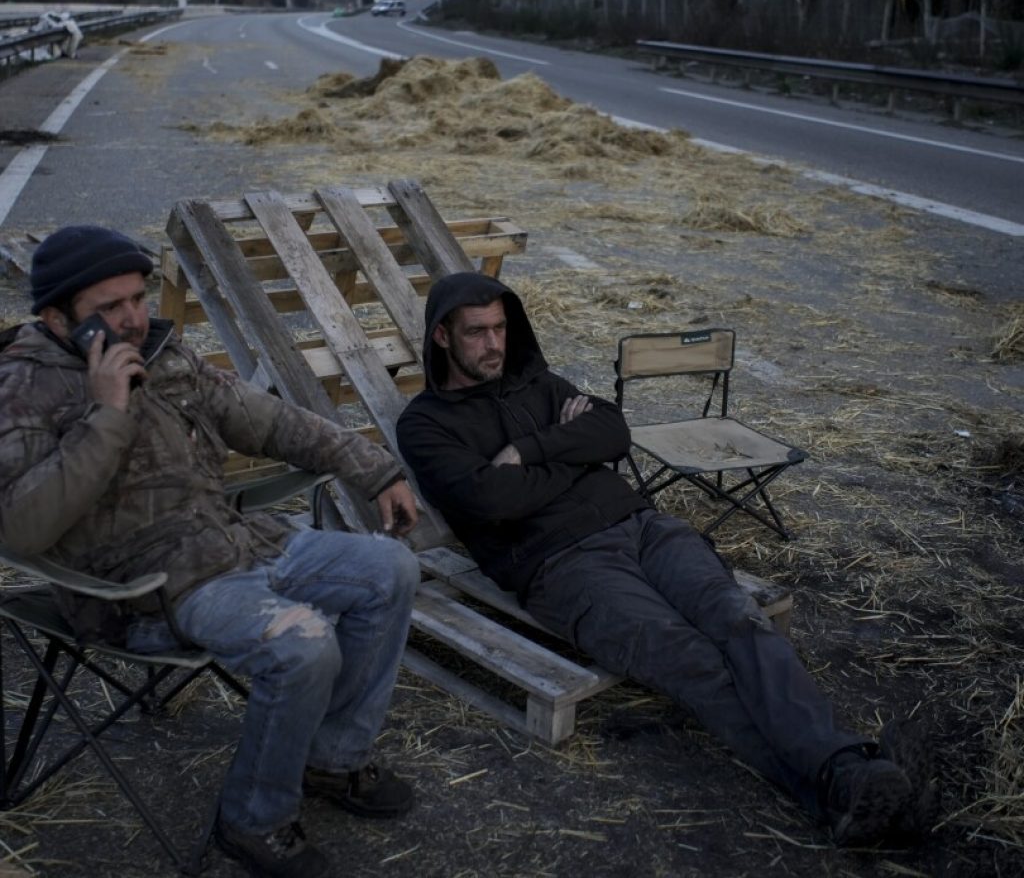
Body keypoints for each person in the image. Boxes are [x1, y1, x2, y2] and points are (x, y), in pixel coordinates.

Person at [397, 271, 929, 847]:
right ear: (443, 337)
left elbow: (614, 433)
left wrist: (529, 450)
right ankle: (844, 779)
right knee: (689, 659)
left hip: (645, 528)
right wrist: (575, 455)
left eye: (500, 328)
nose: (494, 344)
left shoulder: (539, 383)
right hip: (563, 567)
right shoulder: (425, 425)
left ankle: (846, 779)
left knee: (738, 620)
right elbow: (491, 499)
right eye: (477, 333)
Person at [0, 226, 422, 878]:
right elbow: (20, 528)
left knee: (390, 567)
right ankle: (253, 821)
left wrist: (373, 468)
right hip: (140, 588)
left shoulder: (166, 356)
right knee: (304, 643)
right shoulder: (25, 389)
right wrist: (106, 415)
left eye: (138, 298)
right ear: (58, 318)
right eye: (109, 309)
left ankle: (332, 760)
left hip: (232, 543)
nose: (134, 319)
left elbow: (270, 419)